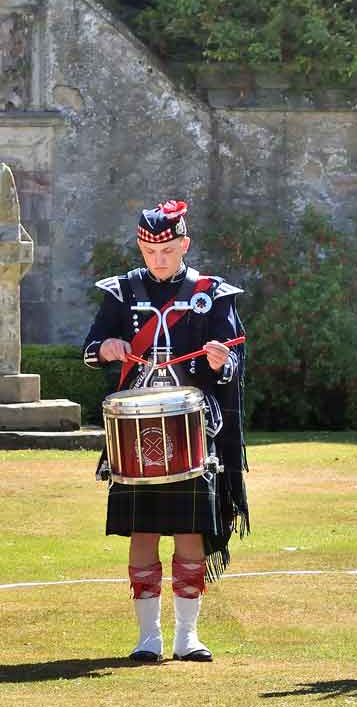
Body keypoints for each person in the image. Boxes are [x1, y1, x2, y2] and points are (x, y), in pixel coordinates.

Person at [83, 199, 247, 662]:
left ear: (184, 245)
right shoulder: (121, 292)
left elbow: (235, 359)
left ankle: (187, 637)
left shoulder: (211, 293)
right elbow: (91, 349)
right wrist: (110, 348)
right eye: (151, 251)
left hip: (193, 425)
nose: (159, 259)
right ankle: (147, 638)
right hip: (135, 429)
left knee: (190, 529)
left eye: (169, 250)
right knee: (143, 530)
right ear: (140, 247)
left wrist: (222, 360)